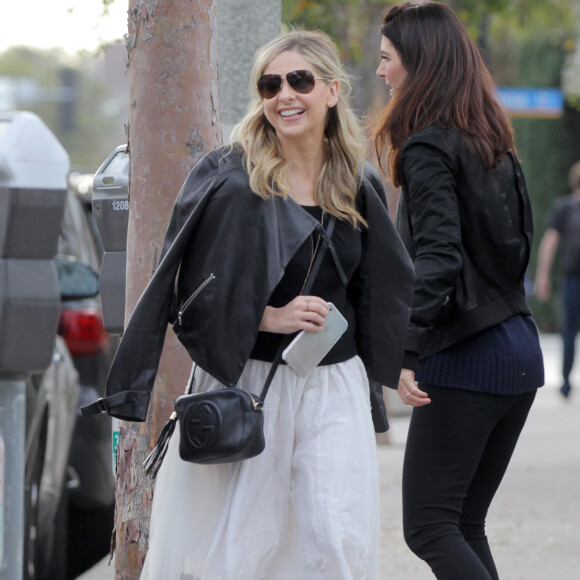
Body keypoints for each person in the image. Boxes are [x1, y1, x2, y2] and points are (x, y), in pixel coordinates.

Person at [82, 30, 414, 579]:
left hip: (334, 385)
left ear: (332, 91)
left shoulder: (358, 182)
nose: (285, 94)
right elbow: (187, 292)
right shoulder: (232, 177)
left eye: (300, 81)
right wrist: (267, 316)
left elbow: (378, 288)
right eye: (270, 84)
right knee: (247, 543)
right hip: (252, 381)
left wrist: (402, 361)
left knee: (334, 535)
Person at [371, 3, 545, 579]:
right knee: (463, 523)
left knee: (428, 527)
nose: (380, 73)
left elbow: (439, 260)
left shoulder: (426, 145)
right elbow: (514, 245)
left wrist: (407, 351)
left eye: (387, 59)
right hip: (517, 348)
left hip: (468, 357)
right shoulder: (494, 140)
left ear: (417, 64)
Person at [534, 161, 580, 399]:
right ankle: (564, 381)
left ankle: (565, 382)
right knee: (569, 332)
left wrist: (543, 275)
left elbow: (550, 242)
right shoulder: (565, 208)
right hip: (572, 279)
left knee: (568, 332)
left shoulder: (564, 207)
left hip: (571, 278)